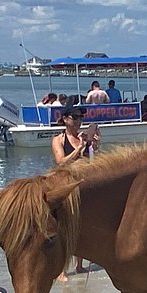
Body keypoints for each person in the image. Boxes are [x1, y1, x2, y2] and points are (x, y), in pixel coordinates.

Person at [50, 107, 100, 276]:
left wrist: (94, 145)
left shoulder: (84, 137)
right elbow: (61, 162)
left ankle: (79, 264)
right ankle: (61, 269)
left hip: (83, 185)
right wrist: (79, 149)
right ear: (65, 119)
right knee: (64, 227)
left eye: (81, 117)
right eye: (76, 117)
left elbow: (91, 160)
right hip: (65, 186)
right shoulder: (58, 139)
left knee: (82, 226)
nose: (79, 120)